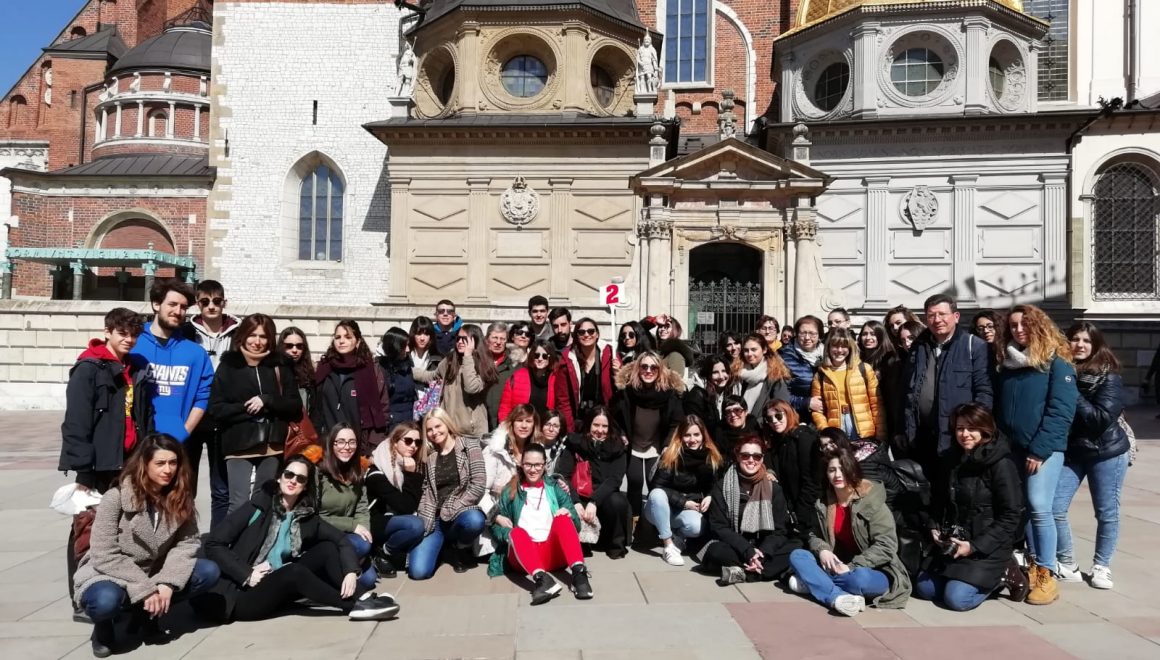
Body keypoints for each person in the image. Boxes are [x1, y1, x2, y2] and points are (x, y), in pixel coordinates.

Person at [202, 455, 399, 622]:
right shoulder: (258, 506)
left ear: (305, 486)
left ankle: (363, 597)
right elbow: (213, 543)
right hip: (242, 595)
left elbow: (341, 540)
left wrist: (350, 571)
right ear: (279, 477)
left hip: (276, 584)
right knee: (294, 571)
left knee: (327, 548)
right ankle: (353, 606)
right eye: (288, 474)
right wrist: (247, 573)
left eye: (300, 478)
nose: (293, 481)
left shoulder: (305, 516)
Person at [74, 434, 219, 657]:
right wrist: (145, 589)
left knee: (208, 571)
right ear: (145, 464)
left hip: (155, 568)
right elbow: (104, 554)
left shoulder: (180, 496)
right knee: (105, 601)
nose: (168, 470)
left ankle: (146, 616)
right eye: (160, 463)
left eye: (173, 463)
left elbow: (187, 543)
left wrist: (168, 582)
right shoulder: (116, 497)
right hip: (111, 571)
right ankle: (103, 628)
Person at [60, 309, 151, 614]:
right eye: (123, 333)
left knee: (124, 525)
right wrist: (83, 471)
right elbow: (76, 423)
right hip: (99, 464)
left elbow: (142, 415)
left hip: (129, 461)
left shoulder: (136, 367)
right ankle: (80, 591)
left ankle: (118, 584)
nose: (129, 339)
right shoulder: (89, 367)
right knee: (86, 526)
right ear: (108, 332)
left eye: (134, 334)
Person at [993, 304, 1078, 606]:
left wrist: (1040, 450)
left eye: (1024, 324)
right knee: (1025, 509)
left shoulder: (1056, 363)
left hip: (1043, 450)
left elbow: (1061, 411)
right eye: (1013, 325)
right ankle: (1033, 566)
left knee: (1040, 508)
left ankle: (1046, 573)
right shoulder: (1009, 364)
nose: (1018, 330)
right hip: (1012, 449)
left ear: (1038, 326)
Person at [916, 403, 1024, 611]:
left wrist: (974, 546)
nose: (965, 434)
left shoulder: (1001, 464)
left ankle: (1004, 573)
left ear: (985, 429)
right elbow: (939, 500)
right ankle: (962, 579)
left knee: (957, 599)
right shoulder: (951, 459)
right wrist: (934, 526)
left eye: (972, 428)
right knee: (925, 589)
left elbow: (1011, 515)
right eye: (960, 428)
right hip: (956, 541)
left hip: (987, 547)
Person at [788, 445, 911, 616]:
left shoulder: (872, 501)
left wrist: (852, 566)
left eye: (843, 469)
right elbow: (813, 534)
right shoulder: (823, 504)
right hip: (836, 565)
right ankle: (837, 597)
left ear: (852, 471)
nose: (837, 475)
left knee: (859, 579)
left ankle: (815, 583)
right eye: (832, 470)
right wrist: (822, 549)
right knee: (798, 555)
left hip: (874, 569)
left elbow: (886, 546)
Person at [1053, 322, 1131, 590]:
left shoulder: (1109, 376)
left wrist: (1070, 391)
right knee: (1054, 507)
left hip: (1105, 451)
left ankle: (1102, 566)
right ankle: (1067, 563)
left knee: (1106, 511)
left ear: (1096, 345)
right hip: (1073, 451)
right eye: (1075, 339)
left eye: (1087, 341)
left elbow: (1100, 419)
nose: (1080, 345)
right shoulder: (1061, 370)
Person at [209, 313, 303, 513]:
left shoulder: (279, 365)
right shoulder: (228, 366)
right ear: (243, 336)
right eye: (252, 335)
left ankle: (258, 534)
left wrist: (267, 400)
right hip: (238, 444)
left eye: (263, 336)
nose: (257, 341)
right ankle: (235, 535)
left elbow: (294, 405)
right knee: (238, 503)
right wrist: (248, 409)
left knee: (264, 501)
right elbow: (216, 409)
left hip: (272, 445)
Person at [488, 443, 594, 604]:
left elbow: (577, 525)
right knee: (516, 532)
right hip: (524, 556)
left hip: (553, 554)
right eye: (528, 464)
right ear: (521, 465)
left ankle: (579, 575)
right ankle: (542, 580)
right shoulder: (510, 490)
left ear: (545, 465)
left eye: (538, 465)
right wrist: (508, 533)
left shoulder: (555, 487)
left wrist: (569, 515)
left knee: (563, 518)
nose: (533, 469)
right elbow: (495, 527)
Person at [903, 294, 993, 471]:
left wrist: (975, 429)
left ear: (956, 316)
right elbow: (906, 390)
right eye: (931, 315)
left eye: (942, 314)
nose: (937, 320)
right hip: (922, 436)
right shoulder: (919, 346)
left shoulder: (974, 346)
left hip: (956, 437)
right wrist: (903, 428)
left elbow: (984, 391)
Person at [699, 437, 799, 585]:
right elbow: (719, 526)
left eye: (756, 456)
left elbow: (780, 530)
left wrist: (762, 553)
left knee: (797, 545)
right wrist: (748, 551)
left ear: (762, 458)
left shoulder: (774, 488)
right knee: (716, 550)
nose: (751, 460)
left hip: (764, 545)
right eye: (745, 455)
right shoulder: (723, 486)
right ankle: (762, 571)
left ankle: (745, 573)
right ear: (737, 456)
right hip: (737, 545)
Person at [405, 408, 487, 579]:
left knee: (475, 520)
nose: (434, 432)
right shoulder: (430, 456)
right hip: (435, 518)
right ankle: (443, 548)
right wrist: (423, 515)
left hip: (460, 511)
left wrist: (453, 506)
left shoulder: (469, 445)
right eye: (429, 429)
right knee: (418, 572)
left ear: (447, 424)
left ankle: (460, 547)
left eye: (438, 426)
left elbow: (478, 483)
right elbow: (426, 490)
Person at [182, 279, 237, 530]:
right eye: (205, 301)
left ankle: (218, 539)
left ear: (224, 303)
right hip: (192, 415)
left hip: (222, 416)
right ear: (197, 303)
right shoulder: (185, 332)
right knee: (186, 483)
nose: (211, 306)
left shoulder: (238, 332)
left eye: (216, 301)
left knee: (221, 486)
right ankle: (184, 536)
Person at [131, 279, 214, 445]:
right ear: (156, 304)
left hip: (176, 443)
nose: (178, 311)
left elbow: (203, 396)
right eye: (172, 304)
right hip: (134, 442)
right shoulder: (133, 345)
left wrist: (184, 431)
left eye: (183, 307)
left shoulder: (196, 353)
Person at [612, 352, 685, 521]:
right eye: (644, 366)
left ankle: (653, 522)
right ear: (638, 369)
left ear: (660, 370)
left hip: (657, 445)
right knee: (635, 481)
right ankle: (634, 520)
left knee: (655, 484)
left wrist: (668, 444)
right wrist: (621, 434)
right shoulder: (627, 391)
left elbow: (676, 422)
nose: (649, 371)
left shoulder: (669, 393)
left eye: (654, 367)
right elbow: (614, 417)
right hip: (633, 444)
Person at [555, 406, 632, 558]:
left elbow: (615, 479)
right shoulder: (575, 443)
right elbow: (564, 475)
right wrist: (575, 501)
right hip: (579, 493)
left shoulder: (618, 446)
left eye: (604, 426)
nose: (600, 430)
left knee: (618, 502)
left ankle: (614, 545)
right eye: (596, 425)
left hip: (604, 493)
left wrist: (594, 501)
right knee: (571, 509)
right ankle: (582, 544)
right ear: (589, 424)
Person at [645, 415, 723, 566]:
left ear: (703, 435)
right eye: (687, 435)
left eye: (696, 434)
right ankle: (668, 545)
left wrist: (710, 496)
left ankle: (677, 540)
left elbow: (716, 485)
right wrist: (684, 502)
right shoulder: (671, 455)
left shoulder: (712, 457)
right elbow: (656, 487)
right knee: (657, 495)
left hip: (686, 511)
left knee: (697, 527)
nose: (692, 439)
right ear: (680, 436)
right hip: (661, 508)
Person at [313, 424, 376, 590]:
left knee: (368, 579)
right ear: (331, 443)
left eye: (352, 442)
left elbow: (362, 507)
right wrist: (352, 525)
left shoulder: (357, 470)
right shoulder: (318, 473)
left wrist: (364, 531)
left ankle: (339, 571)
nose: (347, 447)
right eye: (340, 442)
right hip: (322, 533)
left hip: (347, 535)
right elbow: (313, 517)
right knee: (361, 548)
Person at [315, 320, 390, 455]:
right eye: (338, 337)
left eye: (348, 337)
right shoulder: (324, 368)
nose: (341, 341)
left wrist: (374, 446)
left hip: (359, 445)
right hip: (328, 444)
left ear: (358, 341)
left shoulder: (371, 369)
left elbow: (382, 408)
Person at [415, 323, 498, 445]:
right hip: (448, 431)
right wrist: (408, 370)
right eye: (458, 338)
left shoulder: (484, 365)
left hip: (472, 434)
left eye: (464, 339)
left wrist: (468, 356)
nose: (460, 342)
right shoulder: (450, 361)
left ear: (475, 341)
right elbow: (431, 376)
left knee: (473, 459)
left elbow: (471, 387)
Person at [810, 328, 886, 454]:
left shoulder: (864, 369)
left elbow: (876, 404)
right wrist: (826, 431)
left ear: (850, 348)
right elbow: (817, 410)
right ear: (828, 347)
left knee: (865, 464)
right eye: (835, 346)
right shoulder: (821, 374)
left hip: (863, 428)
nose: (840, 350)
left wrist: (881, 435)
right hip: (836, 428)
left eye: (844, 346)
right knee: (842, 462)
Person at [366, 422, 426, 579]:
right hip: (375, 522)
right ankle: (385, 551)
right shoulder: (377, 471)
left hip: (395, 520)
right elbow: (406, 506)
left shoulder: (409, 464)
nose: (413, 446)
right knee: (416, 525)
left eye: (417, 442)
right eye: (408, 441)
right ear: (394, 442)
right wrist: (411, 474)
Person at [478, 405, 539, 555]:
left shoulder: (537, 450)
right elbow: (481, 490)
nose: (524, 425)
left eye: (528, 421)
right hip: (499, 510)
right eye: (519, 420)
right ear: (511, 423)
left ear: (534, 425)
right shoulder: (494, 451)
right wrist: (495, 516)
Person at [761, 399, 821, 539]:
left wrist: (800, 516)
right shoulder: (780, 441)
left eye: (778, 416)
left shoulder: (803, 437)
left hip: (809, 513)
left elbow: (811, 481)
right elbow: (770, 459)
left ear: (788, 414)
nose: (774, 421)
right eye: (769, 419)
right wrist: (770, 471)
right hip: (792, 512)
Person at [554, 318, 614, 432]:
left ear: (597, 334)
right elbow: (563, 400)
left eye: (591, 331)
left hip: (603, 421)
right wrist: (570, 430)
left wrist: (619, 371)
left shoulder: (610, 355)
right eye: (581, 332)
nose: (586, 335)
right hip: (578, 421)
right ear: (576, 336)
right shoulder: (567, 360)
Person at [498, 339, 559, 421]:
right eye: (536, 355)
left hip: (545, 426)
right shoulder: (517, 376)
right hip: (522, 426)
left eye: (544, 356)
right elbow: (505, 407)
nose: (540, 359)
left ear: (550, 357)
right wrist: (505, 425)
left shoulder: (556, 378)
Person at [779, 315, 825, 419]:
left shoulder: (828, 354)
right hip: (796, 417)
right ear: (796, 334)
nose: (807, 338)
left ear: (819, 335)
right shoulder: (783, 356)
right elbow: (779, 394)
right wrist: (806, 403)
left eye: (812, 333)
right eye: (803, 333)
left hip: (825, 417)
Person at [682, 354, 737, 438]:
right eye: (715, 372)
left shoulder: (729, 391)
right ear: (708, 375)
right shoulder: (697, 396)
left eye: (724, 371)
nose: (721, 376)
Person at [736, 333, 791, 416]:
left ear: (764, 350)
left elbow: (781, 409)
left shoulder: (775, 375)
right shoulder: (739, 374)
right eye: (746, 350)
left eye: (754, 349)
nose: (749, 354)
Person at [378, 328, 418, 432]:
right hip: (392, 425)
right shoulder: (381, 369)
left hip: (409, 421)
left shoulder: (407, 365)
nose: (408, 350)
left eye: (408, 345)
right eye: (404, 346)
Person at [279, 326, 316, 418]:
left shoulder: (310, 371)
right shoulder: (274, 370)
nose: (294, 350)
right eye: (289, 346)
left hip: (305, 423)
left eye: (299, 346)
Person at [485, 322, 516, 431]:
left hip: (504, 421)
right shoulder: (478, 360)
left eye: (502, 339)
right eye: (495, 338)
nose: (498, 342)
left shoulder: (513, 362)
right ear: (487, 339)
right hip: (481, 419)